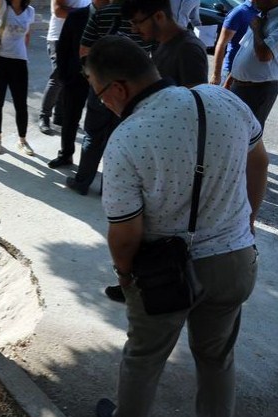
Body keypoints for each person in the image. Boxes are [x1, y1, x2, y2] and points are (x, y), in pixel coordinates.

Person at [86, 35, 268, 417]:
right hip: (234, 262)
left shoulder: (126, 139)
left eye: (99, 92)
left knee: (144, 359)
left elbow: (126, 232)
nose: (102, 102)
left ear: (119, 87)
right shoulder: (223, 99)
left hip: (163, 274)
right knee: (217, 357)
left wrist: (124, 275)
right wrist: (245, 223)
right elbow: (259, 161)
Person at [102, 0, 208, 304]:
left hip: (175, 155)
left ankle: (156, 286)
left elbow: (196, 106)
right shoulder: (161, 44)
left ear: (159, 14)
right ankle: (135, 282)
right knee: (138, 224)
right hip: (152, 146)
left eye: (138, 22)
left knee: (160, 232)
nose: (135, 30)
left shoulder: (188, 48)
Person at [64, 0, 150, 194]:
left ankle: (82, 182)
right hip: (131, 92)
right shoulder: (144, 18)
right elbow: (152, 54)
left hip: (101, 87)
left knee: (93, 135)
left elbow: (84, 51)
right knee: (119, 139)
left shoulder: (101, 14)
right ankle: (108, 187)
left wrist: (93, 80)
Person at [48, 0, 109, 168]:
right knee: (70, 117)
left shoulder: (114, 16)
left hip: (103, 79)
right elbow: (63, 47)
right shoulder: (76, 16)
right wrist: (64, 75)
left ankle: (91, 165)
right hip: (75, 77)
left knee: (98, 123)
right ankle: (65, 154)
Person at [0, 0, 36, 155]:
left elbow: (27, 34)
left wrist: (21, 51)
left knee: (21, 104)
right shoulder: (1, 7)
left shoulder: (30, 11)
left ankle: (22, 140)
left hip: (19, 62)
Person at [123, 0, 208, 87]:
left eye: (137, 23)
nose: (133, 30)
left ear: (159, 16)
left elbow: (194, 97)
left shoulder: (188, 50)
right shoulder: (162, 42)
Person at [38, 0, 92, 135]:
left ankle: (60, 117)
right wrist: (85, 15)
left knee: (71, 77)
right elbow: (58, 10)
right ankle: (44, 116)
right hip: (58, 37)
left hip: (79, 38)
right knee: (58, 76)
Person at [226, 0, 278, 129]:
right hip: (238, 85)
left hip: (258, 90)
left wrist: (257, 29)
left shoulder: (267, 22)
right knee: (231, 130)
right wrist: (230, 79)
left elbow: (264, 55)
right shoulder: (260, 16)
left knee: (247, 135)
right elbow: (244, 51)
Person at [210, 0, 259, 86]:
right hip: (231, 71)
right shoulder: (239, 12)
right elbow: (221, 44)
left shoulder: (265, 13)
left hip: (252, 74)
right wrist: (216, 75)